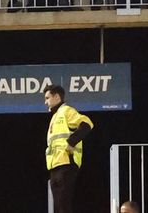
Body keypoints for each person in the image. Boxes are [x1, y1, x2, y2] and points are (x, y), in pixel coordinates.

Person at [43, 81, 93, 213]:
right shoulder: (55, 116)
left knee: (63, 205)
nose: (45, 102)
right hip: (55, 166)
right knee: (60, 206)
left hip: (66, 163)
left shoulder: (66, 111)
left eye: (47, 98)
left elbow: (87, 124)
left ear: (57, 97)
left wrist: (72, 142)